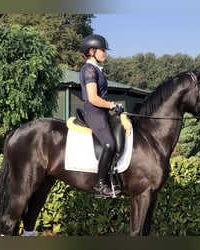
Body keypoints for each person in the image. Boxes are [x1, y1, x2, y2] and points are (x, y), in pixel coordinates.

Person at [79, 34, 124, 198]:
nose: (105, 53)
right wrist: (113, 105)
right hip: (94, 111)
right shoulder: (89, 69)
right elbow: (93, 98)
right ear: (92, 51)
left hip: (101, 111)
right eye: (103, 50)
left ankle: (114, 179)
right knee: (109, 143)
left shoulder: (96, 69)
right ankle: (100, 184)